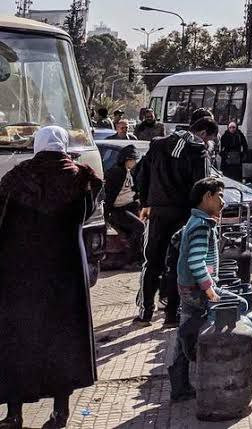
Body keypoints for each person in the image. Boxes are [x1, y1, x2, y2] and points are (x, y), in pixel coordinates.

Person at [0, 126, 103, 429]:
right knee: (63, 339)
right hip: (66, 270)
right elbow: (85, 214)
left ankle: (14, 414)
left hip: (21, 272)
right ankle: (60, 413)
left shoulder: (17, 177)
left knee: (18, 337)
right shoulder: (82, 178)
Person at [134, 116, 217, 328]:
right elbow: (202, 188)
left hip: (157, 213)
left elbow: (140, 174)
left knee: (151, 262)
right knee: (177, 264)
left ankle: (145, 313)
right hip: (183, 215)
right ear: (203, 133)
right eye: (208, 139)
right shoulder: (198, 151)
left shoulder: (157, 144)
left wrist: (146, 202)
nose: (207, 143)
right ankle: (171, 315)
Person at [167, 177, 244, 401]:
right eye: (219, 196)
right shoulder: (201, 226)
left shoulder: (194, 221)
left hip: (187, 287)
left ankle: (179, 386)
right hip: (197, 290)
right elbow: (196, 261)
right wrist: (209, 289)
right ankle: (215, 364)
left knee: (184, 333)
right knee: (241, 304)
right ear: (207, 197)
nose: (223, 202)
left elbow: (177, 240)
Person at [104, 144, 144, 268]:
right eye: (133, 160)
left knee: (140, 229)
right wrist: (106, 216)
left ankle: (137, 258)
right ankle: (132, 260)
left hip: (130, 206)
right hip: (118, 210)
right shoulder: (116, 173)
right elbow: (109, 195)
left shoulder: (129, 172)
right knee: (139, 227)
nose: (135, 162)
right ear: (127, 160)